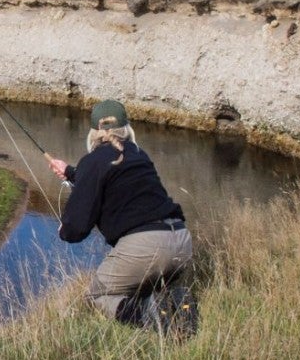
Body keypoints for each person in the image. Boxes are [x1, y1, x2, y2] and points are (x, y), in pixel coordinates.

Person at [46, 98, 196, 334]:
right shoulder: (139, 154)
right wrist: (70, 172)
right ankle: (174, 299)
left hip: (146, 249)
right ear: (126, 129)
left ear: (94, 133)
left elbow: (75, 229)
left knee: (97, 295)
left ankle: (152, 314)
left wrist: (64, 230)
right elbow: (113, 177)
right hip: (181, 241)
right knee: (145, 283)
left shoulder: (92, 161)